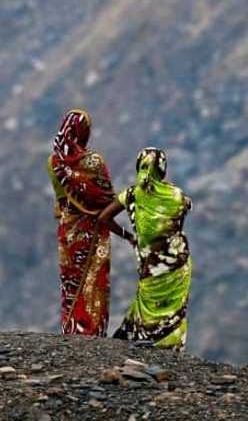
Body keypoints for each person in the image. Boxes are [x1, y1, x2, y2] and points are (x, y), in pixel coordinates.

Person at [47, 109, 132, 336]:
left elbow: (61, 200)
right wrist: (128, 232)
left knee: (71, 282)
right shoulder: (94, 162)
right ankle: (91, 332)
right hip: (92, 231)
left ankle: (71, 330)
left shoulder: (53, 162)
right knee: (93, 282)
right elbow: (107, 203)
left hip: (67, 230)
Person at [99, 147, 193, 349]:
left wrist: (129, 237)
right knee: (175, 307)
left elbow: (103, 218)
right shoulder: (176, 195)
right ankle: (170, 347)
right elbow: (182, 215)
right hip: (176, 262)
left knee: (149, 302)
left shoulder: (131, 195)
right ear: (162, 169)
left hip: (149, 262)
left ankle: (145, 339)